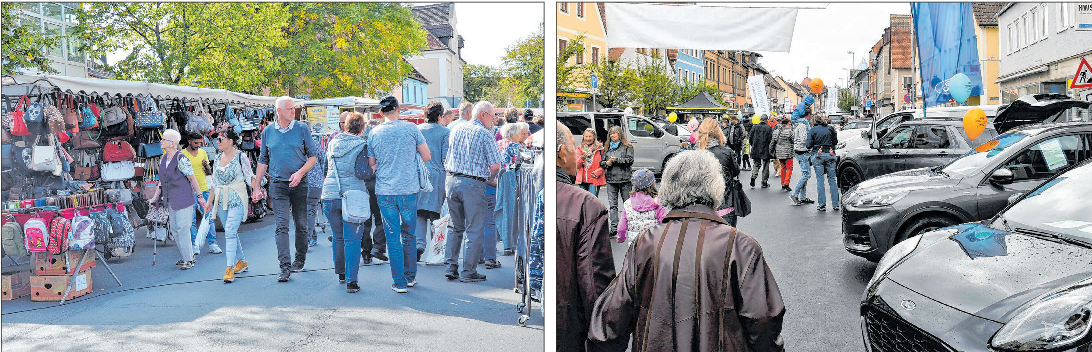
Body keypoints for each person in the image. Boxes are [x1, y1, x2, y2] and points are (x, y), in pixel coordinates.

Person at [586, 150, 786, 352]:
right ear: (716, 187)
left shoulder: (644, 243)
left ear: (668, 188)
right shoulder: (740, 246)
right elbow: (763, 320)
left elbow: (610, 321)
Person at [555, 121, 616, 352]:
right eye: (573, 147)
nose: (575, 152)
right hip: (570, 327)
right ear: (562, 153)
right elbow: (594, 283)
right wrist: (605, 338)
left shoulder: (535, 191)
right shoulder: (586, 206)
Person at [253, 96, 320, 282]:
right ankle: (284, 267)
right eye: (290, 109)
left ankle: (300, 258)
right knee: (281, 225)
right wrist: (256, 186)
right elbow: (263, 160)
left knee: (301, 224)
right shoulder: (267, 132)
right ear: (279, 111)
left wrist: (299, 174)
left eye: (294, 108)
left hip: (300, 184)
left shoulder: (302, 129)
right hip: (278, 184)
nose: (293, 111)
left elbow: (313, 157)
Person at [369, 96, 431, 293]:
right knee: (409, 234)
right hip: (408, 188)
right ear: (398, 109)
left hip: (385, 190)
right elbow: (427, 156)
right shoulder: (411, 129)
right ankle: (410, 276)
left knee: (392, 236)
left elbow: (372, 164)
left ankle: (399, 281)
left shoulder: (374, 132)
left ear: (381, 113)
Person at [444, 100, 504, 283]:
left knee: (454, 227)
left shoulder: (456, 129)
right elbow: (495, 165)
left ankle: (450, 266)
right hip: (472, 184)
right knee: (474, 228)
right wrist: (489, 177)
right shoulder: (484, 134)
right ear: (483, 115)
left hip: (452, 181)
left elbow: (448, 156)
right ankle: (468, 271)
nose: (493, 121)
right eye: (493, 116)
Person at [196, 129, 253, 283]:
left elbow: (249, 177)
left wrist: (257, 191)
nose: (218, 141)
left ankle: (229, 268)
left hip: (238, 198)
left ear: (231, 141)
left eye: (221, 139)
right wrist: (209, 202)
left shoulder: (242, 157)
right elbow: (214, 182)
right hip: (221, 199)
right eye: (218, 139)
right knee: (231, 231)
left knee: (229, 231)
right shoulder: (217, 157)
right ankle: (241, 262)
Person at [322, 112, 370, 293]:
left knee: (338, 236)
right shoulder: (361, 145)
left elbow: (325, 167)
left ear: (345, 126)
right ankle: (352, 281)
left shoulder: (332, 142)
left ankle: (341, 273)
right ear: (362, 128)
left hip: (329, 195)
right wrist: (373, 168)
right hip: (351, 196)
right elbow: (361, 173)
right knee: (352, 239)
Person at [149, 129, 208, 271]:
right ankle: (186, 255)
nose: (161, 141)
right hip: (171, 199)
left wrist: (200, 197)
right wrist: (155, 197)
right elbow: (161, 182)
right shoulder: (163, 159)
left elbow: (192, 178)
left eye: (164, 139)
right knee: (175, 230)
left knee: (183, 229)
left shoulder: (181, 158)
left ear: (172, 143)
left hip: (183, 198)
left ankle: (189, 259)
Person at [416, 101, 450, 263]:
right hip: (437, 177)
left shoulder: (417, 130)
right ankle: (435, 252)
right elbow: (446, 159)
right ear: (439, 116)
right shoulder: (445, 132)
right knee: (436, 216)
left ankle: (419, 244)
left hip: (418, 176)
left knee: (419, 213)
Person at [695, 118, 741, 226]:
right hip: (725, 205)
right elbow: (736, 172)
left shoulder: (694, 154)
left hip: (702, 210)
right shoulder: (727, 152)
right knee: (727, 241)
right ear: (718, 132)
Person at [182, 133, 222, 255]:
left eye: (200, 143)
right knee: (192, 220)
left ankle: (213, 244)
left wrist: (206, 166)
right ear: (189, 141)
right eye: (196, 143)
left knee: (208, 218)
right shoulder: (182, 154)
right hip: (190, 191)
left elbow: (209, 172)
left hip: (204, 189)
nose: (198, 145)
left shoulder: (203, 152)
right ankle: (195, 245)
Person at [600, 126, 634, 237]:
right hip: (611, 179)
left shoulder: (627, 146)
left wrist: (616, 160)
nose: (612, 135)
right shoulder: (607, 147)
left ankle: (629, 225)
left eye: (614, 133)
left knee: (627, 204)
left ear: (620, 134)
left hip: (624, 178)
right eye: (611, 134)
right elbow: (601, 162)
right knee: (612, 205)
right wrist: (606, 163)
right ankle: (614, 228)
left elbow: (629, 161)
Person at [616, 168, 666, 243]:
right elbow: (664, 223)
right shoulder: (656, 203)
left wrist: (620, 238)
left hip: (635, 246)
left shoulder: (628, 204)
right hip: (653, 245)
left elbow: (621, 228)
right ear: (652, 184)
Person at [807, 115, 840, 211]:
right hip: (830, 154)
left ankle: (822, 204)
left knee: (820, 180)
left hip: (818, 155)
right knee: (832, 179)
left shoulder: (813, 130)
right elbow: (835, 141)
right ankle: (835, 204)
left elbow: (808, 145)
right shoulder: (831, 128)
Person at [791, 106, 816, 206]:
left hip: (800, 151)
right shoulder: (802, 125)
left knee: (804, 174)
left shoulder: (799, 124)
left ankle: (803, 197)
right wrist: (811, 141)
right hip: (802, 151)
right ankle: (794, 194)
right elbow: (803, 139)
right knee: (806, 174)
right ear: (808, 115)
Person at [575, 129, 606, 196]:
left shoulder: (600, 149)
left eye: (590, 136)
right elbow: (576, 165)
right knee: (583, 202)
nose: (588, 139)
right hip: (582, 180)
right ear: (583, 137)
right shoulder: (579, 148)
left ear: (594, 137)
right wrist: (582, 158)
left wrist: (598, 172)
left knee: (592, 201)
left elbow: (605, 164)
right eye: (586, 136)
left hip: (594, 180)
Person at [770, 117, 796, 192]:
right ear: (787, 123)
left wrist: (771, 152)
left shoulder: (776, 131)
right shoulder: (790, 131)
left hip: (779, 153)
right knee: (789, 167)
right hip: (788, 152)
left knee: (783, 167)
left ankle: (782, 183)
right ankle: (786, 183)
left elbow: (772, 143)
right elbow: (793, 140)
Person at [749, 114, 774, 188]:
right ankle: (764, 182)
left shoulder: (754, 127)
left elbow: (750, 138)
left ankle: (753, 176)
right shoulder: (768, 128)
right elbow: (771, 140)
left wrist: (753, 145)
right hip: (765, 148)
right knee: (766, 165)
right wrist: (771, 149)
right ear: (766, 120)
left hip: (756, 148)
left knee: (756, 163)